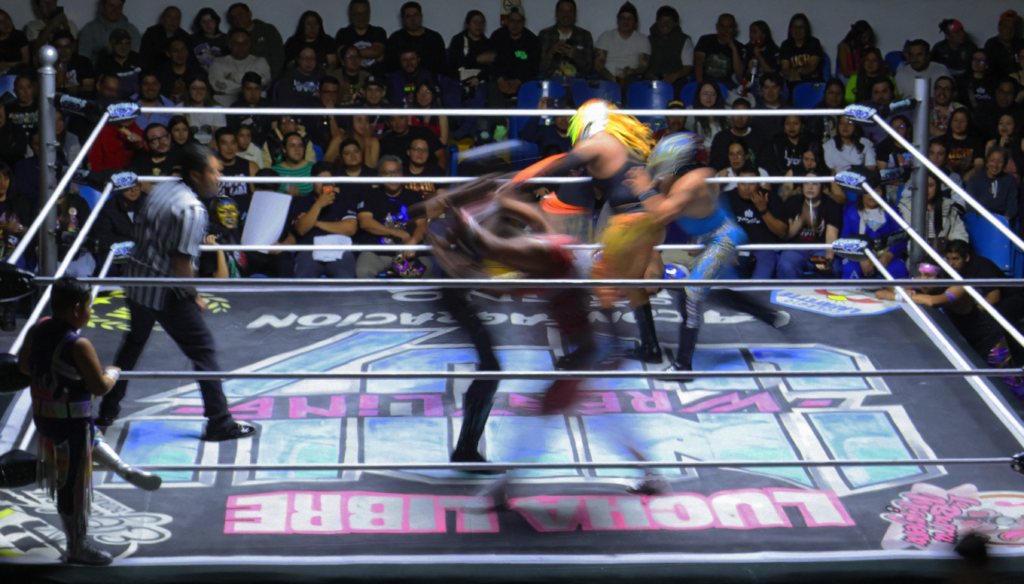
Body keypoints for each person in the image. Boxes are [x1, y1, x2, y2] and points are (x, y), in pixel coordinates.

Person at [426, 182, 602, 467]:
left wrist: (472, 209)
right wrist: (460, 222)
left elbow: (498, 277)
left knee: (512, 383)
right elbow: (487, 258)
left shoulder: (546, 252)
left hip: (588, 346)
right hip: (462, 293)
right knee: (494, 371)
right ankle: (469, 453)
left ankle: (476, 457)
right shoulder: (547, 251)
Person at [97, 143, 257, 443]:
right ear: (196, 175)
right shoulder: (192, 209)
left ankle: (107, 410)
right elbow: (180, 262)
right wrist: (192, 294)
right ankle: (220, 423)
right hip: (164, 289)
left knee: (134, 342)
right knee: (203, 350)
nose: (219, 177)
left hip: (136, 279)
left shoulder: (163, 189)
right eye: (214, 172)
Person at [624, 136, 788, 379]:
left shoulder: (692, 182)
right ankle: (768, 315)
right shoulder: (672, 182)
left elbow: (660, 215)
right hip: (705, 237)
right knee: (716, 293)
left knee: (692, 293)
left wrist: (643, 189)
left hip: (723, 238)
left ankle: (683, 367)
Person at [512, 100, 661, 362]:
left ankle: (601, 351)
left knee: (600, 283)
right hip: (646, 220)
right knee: (632, 284)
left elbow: (561, 164)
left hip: (630, 222)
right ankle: (651, 348)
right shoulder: (617, 142)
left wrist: (522, 182)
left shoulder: (598, 142)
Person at [16, 278, 120, 565]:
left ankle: (121, 467)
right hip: (73, 425)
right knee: (73, 484)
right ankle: (77, 547)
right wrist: (113, 372)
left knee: (66, 479)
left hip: (44, 420)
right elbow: (100, 387)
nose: (90, 311)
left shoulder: (38, 328)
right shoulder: (78, 344)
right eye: (89, 306)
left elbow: (24, 366)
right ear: (76, 308)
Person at [354, 155, 431, 278]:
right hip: (377, 252)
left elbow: (422, 226)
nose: (393, 176)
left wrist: (413, 242)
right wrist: (395, 232)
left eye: (396, 171)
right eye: (387, 173)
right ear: (380, 176)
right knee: (363, 271)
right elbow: (365, 222)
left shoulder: (414, 197)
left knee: (426, 269)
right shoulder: (369, 195)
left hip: (405, 251)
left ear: (402, 174)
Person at [290, 160, 358, 278]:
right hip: (309, 250)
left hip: (339, 250)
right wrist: (319, 204)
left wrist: (316, 223)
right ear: (312, 181)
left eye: (328, 181)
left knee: (344, 277)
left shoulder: (345, 200)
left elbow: (351, 228)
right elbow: (300, 229)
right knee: (304, 277)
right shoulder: (300, 201)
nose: (324, 185)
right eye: (320, 181)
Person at [724, 163, 788, 279]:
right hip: (735, 248)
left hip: (763, 249)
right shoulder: (728, 198)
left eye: (751, 183)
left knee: (762, 276)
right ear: (737, 183)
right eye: (742, 183)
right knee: (724, 272)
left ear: (759, 184)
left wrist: (763, 210)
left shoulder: (770, 198)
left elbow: (782, 232)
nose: (747, 188)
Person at [776, 170, 842, 279]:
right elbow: (787, 235)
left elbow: (831, 235)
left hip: (820, 249)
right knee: (786, 266)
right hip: (795, 249)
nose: (810, 187)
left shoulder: (831, 205)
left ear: (822, 186)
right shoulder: (793, 202)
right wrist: (802, 219)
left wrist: (829, 257)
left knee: (832, 269)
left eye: (815, 183)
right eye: (806, 183)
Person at [839, 191, 908, 280]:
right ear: (861, 193)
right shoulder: (849, 212)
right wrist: (860, 257)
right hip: (856, 255)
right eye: (868, 191)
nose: (872, 194)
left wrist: (889, 255)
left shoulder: (892, 211)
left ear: (883, 192)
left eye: (877, 191)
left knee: (898, 268)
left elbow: (900, 237)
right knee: (851, 269)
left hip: (886, 255)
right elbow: (845, 239)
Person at [898, 173, 969, 249]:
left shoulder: (949, 206)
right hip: (914, 253)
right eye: (921, 185)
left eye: (930, 185)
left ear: (937, 187)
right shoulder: (903, 208)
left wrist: (951, 247)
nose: (925, 189)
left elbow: (960, 235)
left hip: (944, 254)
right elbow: (901, 239)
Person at [488, 8, 541, 107]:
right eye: (512, 21)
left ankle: (528, 117)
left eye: (519, 21)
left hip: (524, 79)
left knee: (533, 85)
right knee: (492, 87)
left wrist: (518, 82)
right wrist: (500, 80)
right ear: (506, 21)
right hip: (502, 78)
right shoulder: (497, 36)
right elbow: (492, 63)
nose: (515, 25)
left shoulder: (532, 40)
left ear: (524, 22)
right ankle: (498, 118)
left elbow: (534, 67)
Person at [594, 2, 651, 91]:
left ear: (635, 23)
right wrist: (612, 79)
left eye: (629, 19)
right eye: (622, 18)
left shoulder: (643, 39)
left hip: (630, 79)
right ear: (618, 21)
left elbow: (643, 65)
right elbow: (598, 64)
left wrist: (632, 71)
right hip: (607, 79)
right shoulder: (606, 36)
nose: (626, 21)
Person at [209, 28, 272, 107]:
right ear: (230, 45)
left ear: (249, 44)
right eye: (236, 44)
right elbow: (217, 86)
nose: (241, 47)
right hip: (225, 108)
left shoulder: (260, 62)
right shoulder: (218, 63)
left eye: (244, 43)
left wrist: (233, 76)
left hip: (256, 108)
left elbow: (262, 82)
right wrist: (248, 86)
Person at [383, 2, 447, 77]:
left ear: (421, 16)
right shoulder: (396, 38)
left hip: (430, 80)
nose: (413, 20)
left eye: (416, 15)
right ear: (403, 19)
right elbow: (389, 67)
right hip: (403, 80)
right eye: (408, 16)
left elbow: (442, 66)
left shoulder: (434, 37)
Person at [93, 181, 143, 275]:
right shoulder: (108, 209)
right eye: (128, 187)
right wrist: (132, 244)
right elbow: (105, 239)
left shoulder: (149, 203)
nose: (133, 190)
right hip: (119, 253)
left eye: (136, 186)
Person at [538, 0, 593, 81]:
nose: (566, 15)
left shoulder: (584, 35)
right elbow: (538, 68)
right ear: (556, 13)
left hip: (577, 84)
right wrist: (551, 53)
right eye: (562, 11)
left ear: (575, 14)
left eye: (570, 11)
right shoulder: (545, 35)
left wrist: (576, 56)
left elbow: (589, 69)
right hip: (551, 83)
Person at [226, 3, 284, 78]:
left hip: (268, 77)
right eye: (234, 17)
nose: (238, 20)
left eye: (240, 15)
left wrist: (272, 79)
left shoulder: (267, 30)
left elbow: (278, 58)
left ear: (249, 13)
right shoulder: (232, 36)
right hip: (242, 79)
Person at [709, 98, 765, 171]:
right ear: (731, 115)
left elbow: (766, 166)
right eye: (736, 113)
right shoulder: (720, 138)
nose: (739, 118)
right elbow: (714, 167)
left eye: (744, 114)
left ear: (750, 115)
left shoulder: (760, 138)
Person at [645, 6, 693, 91]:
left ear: (675, 23)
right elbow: (644, 64)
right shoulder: (649, 40)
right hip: (653, 80)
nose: (665, 24)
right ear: (657, 22)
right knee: (645, 89)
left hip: (676, 80)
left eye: (669, 21)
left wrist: (673, 76)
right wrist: (649, 75)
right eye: (662, 20)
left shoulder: (684, 40)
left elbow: (687, 66)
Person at [78, 0, 141, 65]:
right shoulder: (89, 29)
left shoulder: (132, 30)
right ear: (102, 7)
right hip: (97, 70)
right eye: (111, 6)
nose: (115, 10)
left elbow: (134, 59)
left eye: (118, 7)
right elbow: (84, 60)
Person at [965, 146, 1018, 220]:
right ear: (987, 162)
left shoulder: (1010, 181)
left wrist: (1005, 219)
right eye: (992, 161)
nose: (995, 165)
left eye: (1000, 162)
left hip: (1001, 220)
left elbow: (1012, 206)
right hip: (979, 219)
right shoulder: (975, 180)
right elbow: (970, 207)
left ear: (1005, 164)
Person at [334, 0, 387, 74]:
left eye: (364, 13)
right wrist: (369, 52)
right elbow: (341, 54)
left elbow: (376, 51)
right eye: (356, 14)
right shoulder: (343, 33)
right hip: (350, 78)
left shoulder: (378, 32)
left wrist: (350, 55)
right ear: (350, 14)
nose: (361, 17)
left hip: (375, 77)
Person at [199, 195, 245, 279]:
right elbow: (221, 279)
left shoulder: (236, 235)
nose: (230, 216)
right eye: (224, 212)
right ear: (214, 216)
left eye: (233, 211)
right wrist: (219, 250)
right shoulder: (211, 240)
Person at [447, 11, 495, 89]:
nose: (478, 25)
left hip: (480, 80)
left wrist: (478, 78)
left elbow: (491, 68)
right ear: (467, 24)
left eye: (481, 23)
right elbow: (456, 63)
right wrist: (477, 59)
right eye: (475, 22)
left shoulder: (488, 44)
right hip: (458, 79)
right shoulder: (458, 40)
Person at [693, 13, 743, 86]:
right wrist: (700, 85)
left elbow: (739, 73)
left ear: (735, 28)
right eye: (722, 26)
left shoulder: (739, 47)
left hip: (727, 86)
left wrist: (733, 48)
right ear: (717, 27)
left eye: (729, 27)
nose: (725, 30)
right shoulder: (705, 40)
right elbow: (698, 64)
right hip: (706, 83)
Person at [380, 114, 446, 169]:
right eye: (393, 119)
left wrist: (438, 175)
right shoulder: (385, 142)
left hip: (428, 177)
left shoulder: (425, 132)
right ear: (388, 123)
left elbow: (441, 155)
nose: (398, 123)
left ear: (407, 118)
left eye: (401, 117)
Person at [228, 71, 274, 149]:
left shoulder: (270, 107)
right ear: (242, 89)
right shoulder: (234, 109)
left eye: (257, 88)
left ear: (261, 89)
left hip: (267, 150)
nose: (253, 93)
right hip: (242, 150)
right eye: (249, 89)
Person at [129, 123, 180, 192]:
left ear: (170, 137)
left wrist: (149, 187)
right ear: (146, 144)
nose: (161, 141)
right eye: (154, 139)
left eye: (164, 136)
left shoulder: (181, 157)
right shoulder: (140, 162)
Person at [95, 28, 143, 100]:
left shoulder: (139, 60)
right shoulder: (103, 63)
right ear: (111, 45)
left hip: (137, 101)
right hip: (112, 101)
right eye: (119, 43)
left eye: (127, 43)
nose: (124, 47)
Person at [779, 13, 824, 88]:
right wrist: (791, 73)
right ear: (790, 29)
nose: (798, 30)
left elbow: (812, 67)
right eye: (795, 27)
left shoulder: (814, 43)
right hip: (793, 80)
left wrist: (797, 72)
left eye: (801, 27)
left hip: (812, 81)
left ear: (806, 29)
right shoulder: (786, 45)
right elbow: (785, 68)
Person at [178, 75, 225, 146]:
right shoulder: (179, 108)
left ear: (207, 90)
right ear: (188, 90)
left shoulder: (217, 109)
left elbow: (219, 137)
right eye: (194, 88)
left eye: (202, 88)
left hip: (211, 147)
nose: (198, 92)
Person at [214, 127, 258, 202]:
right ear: (217, 146)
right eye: (224, 143)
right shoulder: (209, 168)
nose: (229, 148)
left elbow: (259, 198)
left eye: (233, 143)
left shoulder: (251, 166)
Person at [684, 81, 729, 152]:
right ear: (699, 95)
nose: (709, 98)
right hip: (700, 153)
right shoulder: (690, 112)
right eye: (705, 94)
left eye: (713, 94)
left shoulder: (726, 111)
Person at [155, 38, 202, 104]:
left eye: (183, 49)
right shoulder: (159, 73)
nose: (180, 53)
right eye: (175, 50)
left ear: (187, 52)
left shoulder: (198, 72)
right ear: (168, 53)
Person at [975, 79, 1024, 143]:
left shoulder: (1020, 113)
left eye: (1009, 93)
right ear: (996, 92)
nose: (1005, 96)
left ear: (1015, 95)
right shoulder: (983, 109)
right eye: (1002, 92)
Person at [944, 107, 985, 181]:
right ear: (951, 122)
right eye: (955, 120)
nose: (958, 124)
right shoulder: (942, 141)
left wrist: (969, 175)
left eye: (962, 121)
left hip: (969, 179)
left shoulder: (976, 142)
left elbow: (979, 164)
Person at [51, 30, 95, 98]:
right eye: (59, 47)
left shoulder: (83, 62)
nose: (63, 51)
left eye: (67, 47)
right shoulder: (49, 64)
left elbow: (88, 87)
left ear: (72, 47)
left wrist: (71, 89)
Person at [932, 19, 978, 83]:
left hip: (966, 82)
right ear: (948, 36)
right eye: (957, 32)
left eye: (962, 30)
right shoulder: (939, 49)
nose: (962, 34)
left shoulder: (971, 48)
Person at [983, 10, 1024, 81]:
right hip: (998, 82)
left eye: (1012, 28)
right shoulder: (991, 44)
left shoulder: (1021, 44)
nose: (1008, 31)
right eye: (1005, 27)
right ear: (999, 27)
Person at [273, 133, 314, 197]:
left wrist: (299, 195)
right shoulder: (274, 171)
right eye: (292, 146)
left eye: (300, 146)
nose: (297, 149)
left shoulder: (314, 168)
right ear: (284, 149)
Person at [744, 21, 780, 90]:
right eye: (750, 32)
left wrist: (759, 56)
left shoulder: (773, 50)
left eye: (754, 32)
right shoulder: (747, 49)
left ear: (763, 35)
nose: (751, 35)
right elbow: (743, 76)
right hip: (751, 82)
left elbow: (772, 74)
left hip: (767, 84)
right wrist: (749, 69)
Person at [985, 114, 1021, 180]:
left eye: (1008, 123)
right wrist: (1001, 147)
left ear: (1015, 126)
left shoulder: (1021, 144)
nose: (1004, 126)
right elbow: (992, 169)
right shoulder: (991, 144)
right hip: (997, 179)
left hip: (1016, 181)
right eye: (1001, 123)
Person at [0, 9, 30, 75]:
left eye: (6, 19)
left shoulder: (19, 36)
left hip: (19, 73)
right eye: (0, 22)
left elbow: (26, 61)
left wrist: (9, 64)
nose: (6, 23)